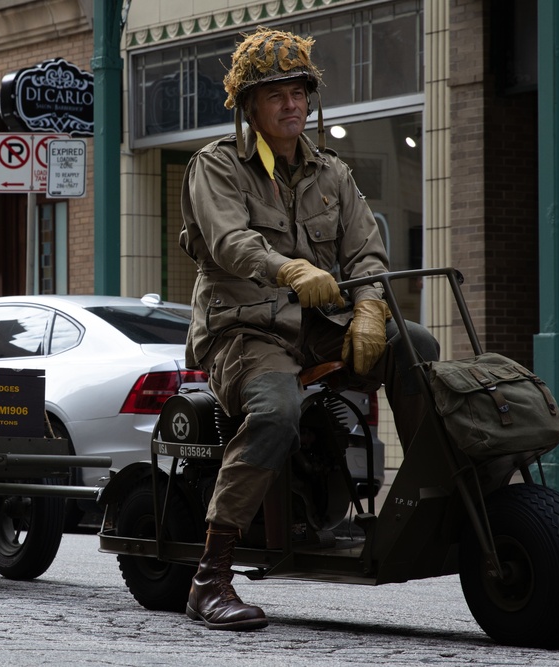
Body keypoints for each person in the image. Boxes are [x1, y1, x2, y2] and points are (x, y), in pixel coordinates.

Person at [179, 27, 440, 632]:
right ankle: (210, 578)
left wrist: (372, 307)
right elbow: (229, 241)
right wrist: (289, 268)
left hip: (317, 325)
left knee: (416, 344)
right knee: (274, 412)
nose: (291, 103)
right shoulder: (217, 166)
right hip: (244, 330)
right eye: (275, 94)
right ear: (249, 107)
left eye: (298, 91)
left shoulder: (333, 174)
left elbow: (367, 255)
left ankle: (429, 499)